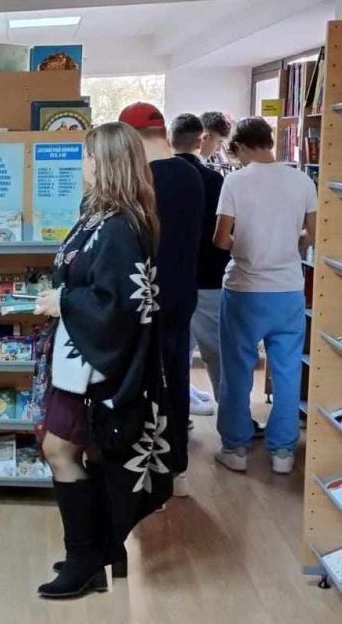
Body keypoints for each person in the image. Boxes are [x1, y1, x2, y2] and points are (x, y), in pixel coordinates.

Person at [34, 121, 172, 599]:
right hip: (82, 358)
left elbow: (118, 305)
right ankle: (91, 552)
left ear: (108, 163)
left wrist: (64, 302)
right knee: (76, 451)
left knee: (60, 449)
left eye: (89, 156)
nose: (83, 165)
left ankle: (84, 557)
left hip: (96, 365)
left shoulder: (119, 228)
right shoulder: (101, 216)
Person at [213, 117, 317, 475]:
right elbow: (312, 233)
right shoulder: (302, 180)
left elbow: (220, 239)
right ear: (270, 142)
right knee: (287, 371)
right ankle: (283, 453)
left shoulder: (235, 181)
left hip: (244, 289)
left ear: (241, 146)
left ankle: (235, 448)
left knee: (237, 370)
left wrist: (244, 245)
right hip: (288, 289)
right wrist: (289, 246)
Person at [119, 102, 204, 498]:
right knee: (177, 377)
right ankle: (177, 469)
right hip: (183, 293)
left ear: (131, 138)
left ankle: (148, 477)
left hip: (146, 295)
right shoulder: (191, 175)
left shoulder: (141, 180)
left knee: (146, 384)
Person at [171, 113, 230, 419]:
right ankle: (232, 416)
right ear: (200, 140)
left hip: (172, 279)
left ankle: (176, 412)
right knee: (218, 351)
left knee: (177, 349)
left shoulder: (157, 176)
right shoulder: (214, 180)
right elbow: (223, 232)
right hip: (209, 276)